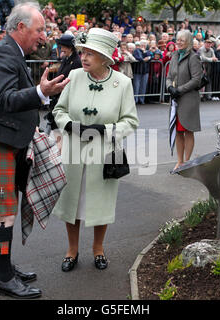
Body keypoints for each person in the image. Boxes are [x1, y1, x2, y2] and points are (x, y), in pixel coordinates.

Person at [0, 2, 70, 299]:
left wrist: (34, 115)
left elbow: (8, 101)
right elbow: (8, 98)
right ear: (20, 27)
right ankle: (4, 277)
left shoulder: (12, 52)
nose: (44, 36)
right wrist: (40, 92)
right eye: (39, 30)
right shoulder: (1, 54)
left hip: (7, 140)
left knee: (4, 211)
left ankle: (4, 267)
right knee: (4, 212)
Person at [52, 28, 139, 272]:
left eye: (91, 53)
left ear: (104, 57)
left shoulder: (122, 83)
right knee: (73, 204)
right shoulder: (75, 76)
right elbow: (59, 110)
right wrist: (68, 124)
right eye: (83, 52)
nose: (85, 57)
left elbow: (130, 121)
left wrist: (106, 129)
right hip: (73, 150)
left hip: (104, 153)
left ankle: (98, 249)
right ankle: (72, 251)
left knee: (100, 203)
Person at [166, 30, 202, 171]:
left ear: (188, 42)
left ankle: (187, 162)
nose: (178, 42)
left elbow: (196, 80)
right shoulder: (174, 55)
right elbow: (169, 76)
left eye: (182, 40)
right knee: (178, 131)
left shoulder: (193, 57)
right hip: (175, 99)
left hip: (188, 99)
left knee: (188, 130)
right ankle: (179, 161)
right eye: (177, 40)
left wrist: (179, 90)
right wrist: (169, 87)